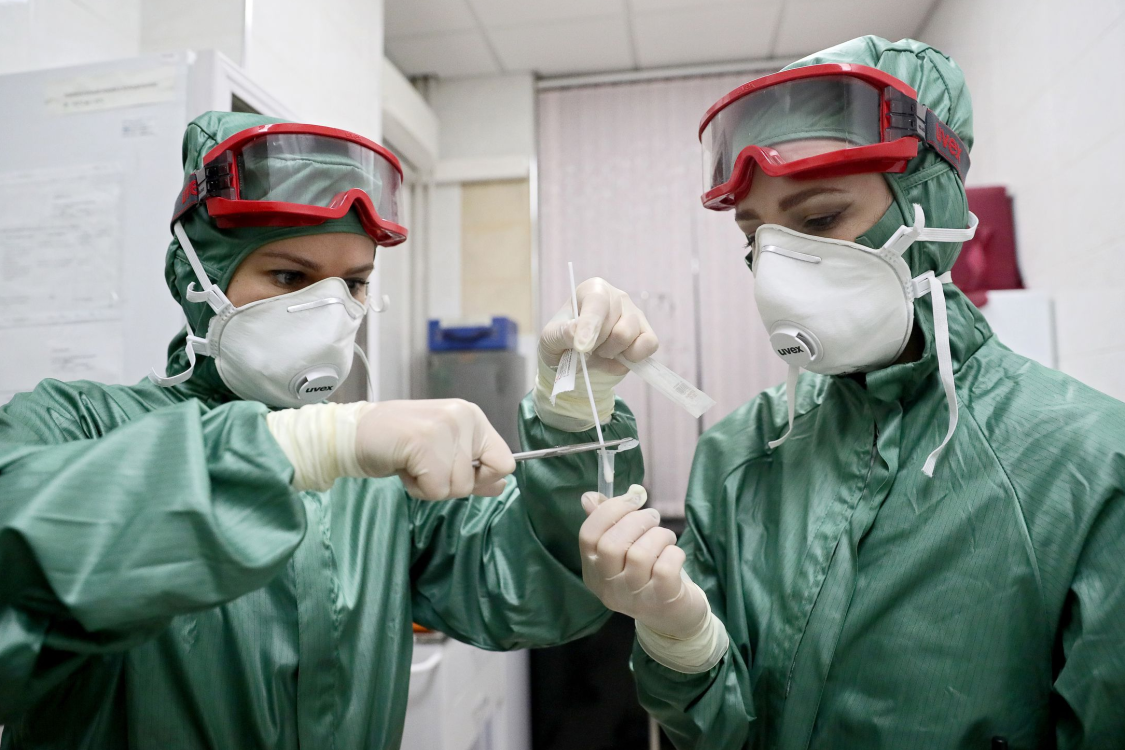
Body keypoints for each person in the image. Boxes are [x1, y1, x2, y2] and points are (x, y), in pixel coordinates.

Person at [0, 111, 658, 749]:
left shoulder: (377, 476)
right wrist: (294, 449)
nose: (329, 309)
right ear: (195, 279)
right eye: (289, 276)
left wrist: (574, 408)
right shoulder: (76, 425)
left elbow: (533, 591)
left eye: (355, 282)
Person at [578, 37, 1125, 748]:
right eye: (756, 239)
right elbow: (719, 735)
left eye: (818, 220)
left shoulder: (1086, 468)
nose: (778, 276)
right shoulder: (740, 455)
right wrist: (680, 640)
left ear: (926, 204)